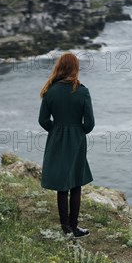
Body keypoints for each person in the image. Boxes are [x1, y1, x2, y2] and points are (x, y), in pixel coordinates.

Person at [38, 52, 95, 238]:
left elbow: (43, 120)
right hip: (77, 141)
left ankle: (65, 228)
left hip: (57, 139)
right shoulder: (82, 91)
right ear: (75, 68)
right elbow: (90, 124)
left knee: (62, 185)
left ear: (59, 67)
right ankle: (74, 226)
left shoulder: (50, 90)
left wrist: (56, 131)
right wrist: (78, 132)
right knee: (76, 183)